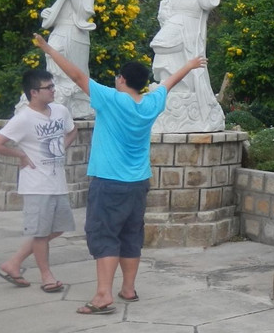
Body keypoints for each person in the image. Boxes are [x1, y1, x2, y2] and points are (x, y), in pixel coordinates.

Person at [33, 33, 206, 315]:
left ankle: (102, 296)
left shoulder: (112, 99)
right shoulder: (151, 104)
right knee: (130, 234)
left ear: (122, 79)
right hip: (138, 183)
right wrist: (190, 65)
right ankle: (128, 288)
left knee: (104, 235)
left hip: (109, 182)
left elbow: (76, 75)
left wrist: (47, 48)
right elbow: (169, 83)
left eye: (118, 76)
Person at [0, 69, 77, 293]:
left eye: (53, 86)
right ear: (34, 92)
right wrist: (21, 155)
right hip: (36, 184)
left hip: (57, 181)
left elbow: (72, 131)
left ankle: (14, 263)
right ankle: (46, 276)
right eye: (49, 87)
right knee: (40, 232)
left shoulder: (60, 111)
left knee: (57, 228)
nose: (54, 90)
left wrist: (61, 148)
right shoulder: (23, 119)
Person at [150, 0, 233, 133]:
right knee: (162, 56)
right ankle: (172, 91)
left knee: (180, 62)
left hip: (187, 31)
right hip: (171, 27)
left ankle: (186, 95)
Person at [39, 0, 95, 118]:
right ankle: (55, 94)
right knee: (52, 57)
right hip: (59, 32)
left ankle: (79, 103)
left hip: (76, 34)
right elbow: (49, 22)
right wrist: (47, 13)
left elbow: (83, 13)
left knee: (77, 71)